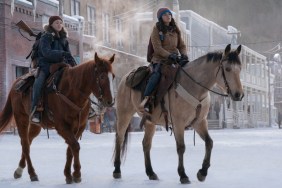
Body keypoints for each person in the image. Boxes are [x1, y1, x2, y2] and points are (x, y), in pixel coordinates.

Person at [139, 7, 188, 113]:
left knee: (187, 72)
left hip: (175, 59)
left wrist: (184, 55)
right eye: (165, 14)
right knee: (156, 75)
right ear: (161, 17)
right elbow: (157, 48)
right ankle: (146, 99)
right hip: (160, 59)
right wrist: (169, 55)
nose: (168, 16)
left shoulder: (175, 30)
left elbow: (182, 45)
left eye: (169, 14)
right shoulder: (156, 29)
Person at [30, 15, 74, 123]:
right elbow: (46, 52)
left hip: (61, 66)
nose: (59, 24)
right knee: (38, 83)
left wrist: (75, 67)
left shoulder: (64, 39)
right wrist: (62, 54)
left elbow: (69, 55)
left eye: (60, 22)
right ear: (51, 25)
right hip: (46, 66)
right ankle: (35, 110)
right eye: (56, 23)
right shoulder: (46, 36)